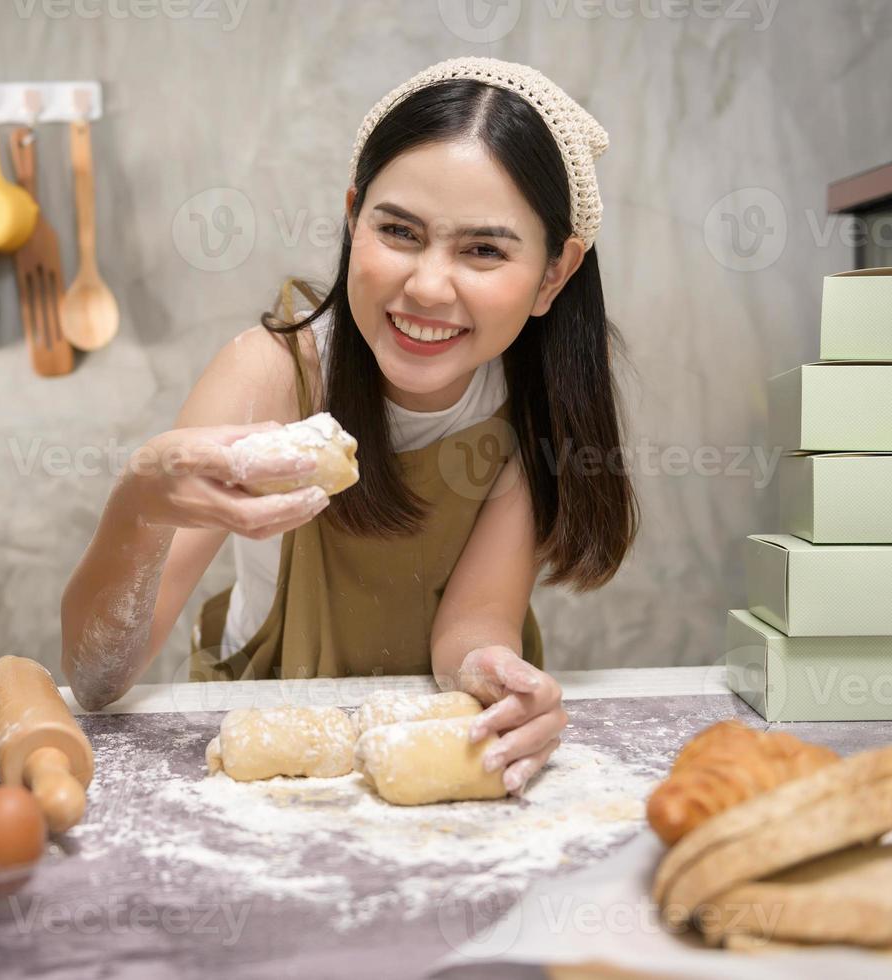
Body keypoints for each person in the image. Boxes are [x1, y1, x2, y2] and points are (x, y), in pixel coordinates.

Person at [62, 57, 638, 794]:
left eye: (483, 250)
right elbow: (97, 676)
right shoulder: (270, 373)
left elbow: (470, 627)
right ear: (351, 217)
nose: (427, 286)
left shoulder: (530, 402)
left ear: (553, 275)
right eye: (398, 231)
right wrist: (139, 499)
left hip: (423, 739)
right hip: (262, 736)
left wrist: (489, 671)